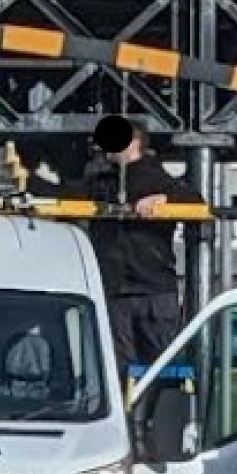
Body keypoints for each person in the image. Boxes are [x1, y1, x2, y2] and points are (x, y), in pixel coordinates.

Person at [75, 127, 207, 386]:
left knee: (164, 367)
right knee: (117, 370)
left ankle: (161, 421)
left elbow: (195, 201)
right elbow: (65, 194)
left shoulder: (155, 176)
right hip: (118, 289)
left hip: (152, 289)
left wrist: (165, 198)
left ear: (134, 142)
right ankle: (130, 422)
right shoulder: (102, 182)